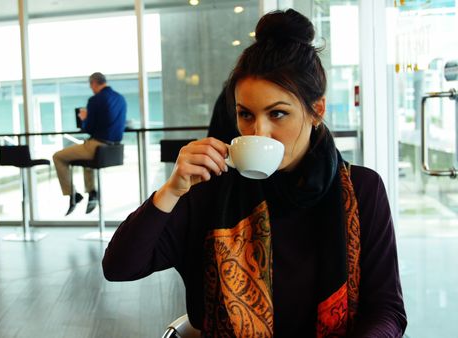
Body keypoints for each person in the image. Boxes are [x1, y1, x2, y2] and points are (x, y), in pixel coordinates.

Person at [103, 9, 406, 337]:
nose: (257, 131)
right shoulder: (210, 190)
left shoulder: (361, 189)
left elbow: (386, 308)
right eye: (245, 114)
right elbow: (119, 267)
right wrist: (171, 190)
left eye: (278, 113)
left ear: (316, 110)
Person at [53, 72, 127, 216]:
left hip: (98, 146)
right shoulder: (121, 98)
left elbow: (89, 129)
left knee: (58, 156)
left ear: (93, 83)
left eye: (90, 85)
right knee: (87, 157)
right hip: (115, 148)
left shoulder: (95, 100)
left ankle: (73, 194)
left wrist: (84, 118)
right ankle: (92, 192)